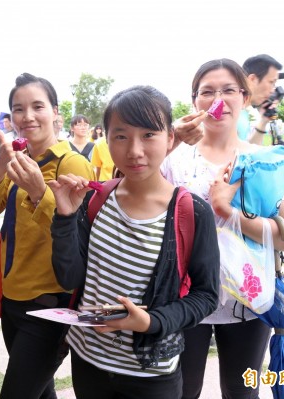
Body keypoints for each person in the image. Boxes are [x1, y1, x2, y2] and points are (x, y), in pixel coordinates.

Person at [49, 85, 220, 399]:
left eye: (149, 135)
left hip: (151, 374)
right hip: (88, 361)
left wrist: (151, 322)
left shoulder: (191, 212)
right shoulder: (95, 200)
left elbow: (207, 295)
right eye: (121, 136)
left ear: (171, 138)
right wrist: (64, 217)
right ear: (107, 139)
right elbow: (69, 278)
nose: (135, 150)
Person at [161, 58, 284, 399]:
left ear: (245, 97)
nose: (218, 99)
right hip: (184, 299)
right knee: (182, 391)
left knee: (241, 392)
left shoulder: (268, 161)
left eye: (229, 90)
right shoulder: (174, 162)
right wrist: (172, 142)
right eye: (207, 91)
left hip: (249, 301)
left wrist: (229, 212)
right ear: (194, 100)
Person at [0, 72, 94, 399]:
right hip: (12, 296)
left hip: (50, 304)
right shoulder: (20, 158)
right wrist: (1, 165)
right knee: (41, 392)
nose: (27, 116)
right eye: (18, 109)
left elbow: (76, 230)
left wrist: (39, 191)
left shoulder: (71, 162)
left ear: (56, 112)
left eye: (37, 106)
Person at [240, 54, 284, 144]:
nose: (272, 90)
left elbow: (244, 151)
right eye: (271, 82)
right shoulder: (231, 112)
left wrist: (263, 121)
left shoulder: (242, 113)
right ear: (252, 79)